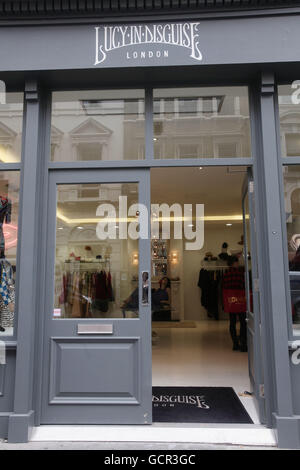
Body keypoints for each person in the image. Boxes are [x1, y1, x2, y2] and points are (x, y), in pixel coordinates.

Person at [222, 256, 248, 352]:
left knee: (232, 322)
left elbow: (223, 287)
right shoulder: (240, 273)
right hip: (240, 300)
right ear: (234, 263)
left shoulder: (226, 274)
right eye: (237, 262)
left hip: (231, 301)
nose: (238, 264)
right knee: (243, 322)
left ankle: (235, 344)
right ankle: (243, 343)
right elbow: (244, 285)